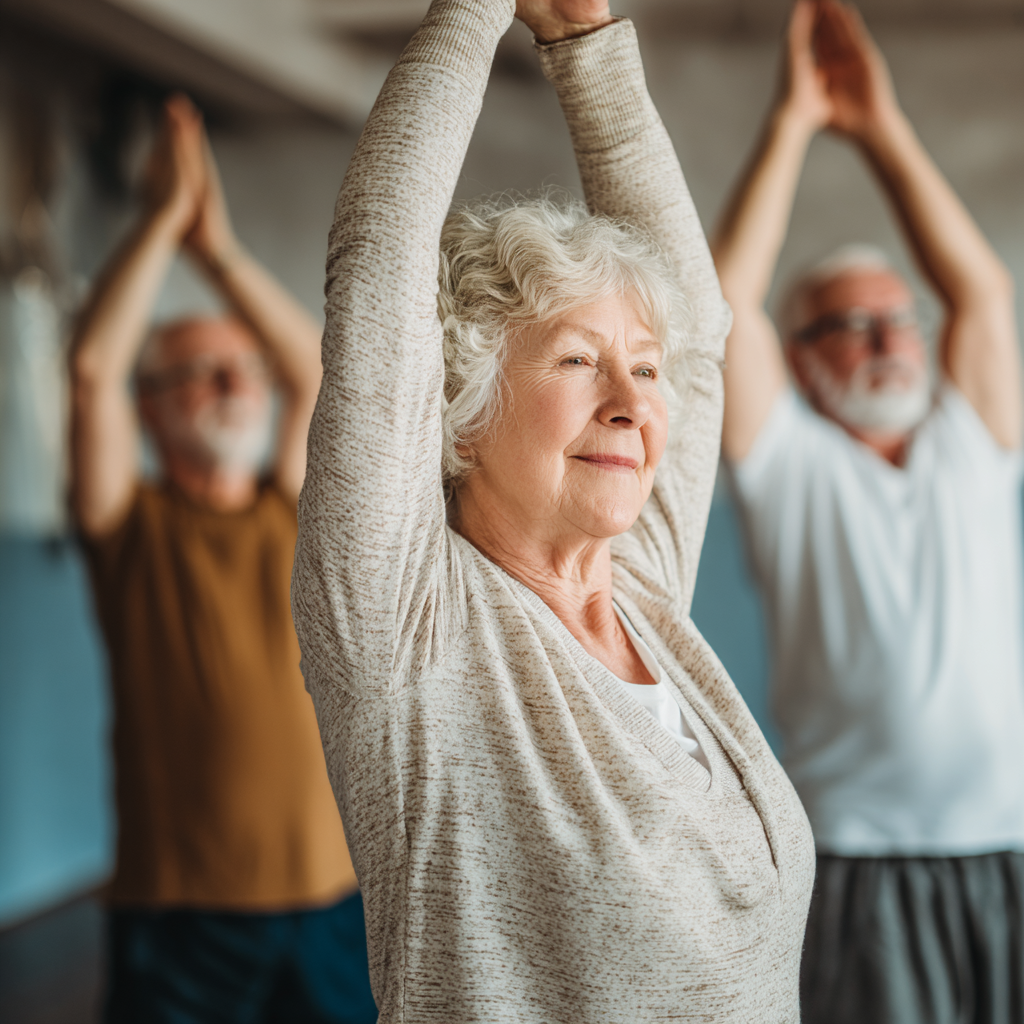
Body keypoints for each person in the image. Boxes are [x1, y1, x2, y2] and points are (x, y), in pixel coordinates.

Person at [290, 0, 816, 1020]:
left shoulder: (642, 590)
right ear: (463, 408)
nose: (630, 402)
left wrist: (588, 47)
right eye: (577, 360)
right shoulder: (410, 632)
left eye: (643, 369)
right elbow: (381, 262)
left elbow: (699, 341)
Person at [712, 2, 1024, 1021]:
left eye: (896, 317)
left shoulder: (970, 442)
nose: (884, 338)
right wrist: (796, 123)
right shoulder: (788, 463)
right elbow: (719, 305)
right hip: (859, 862)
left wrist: (881, 126)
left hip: (1008, 850)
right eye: (847, 324)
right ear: (799, 361)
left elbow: (978, 293)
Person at [69, 95, 376, 1024]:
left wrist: (220, 253)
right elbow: (90, 370)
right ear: (152, 411)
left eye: (243, 369)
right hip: (184, 914)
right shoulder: (131, 523)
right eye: (201, 371)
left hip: (332, 903)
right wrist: (163, 222)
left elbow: (315, 373)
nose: (235, 384)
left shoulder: (293, 504)